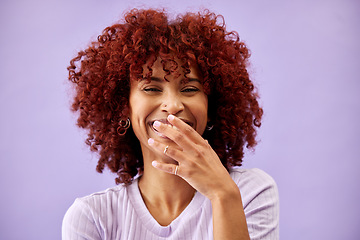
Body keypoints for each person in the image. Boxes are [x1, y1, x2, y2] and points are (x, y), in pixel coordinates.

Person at [62, 8, 279, 240]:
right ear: (123, 106)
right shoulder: (92, 217)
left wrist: (222, 195)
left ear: (212, 107)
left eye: (189, 89)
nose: (173, 105)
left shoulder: (250, 192)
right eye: (152, 88)